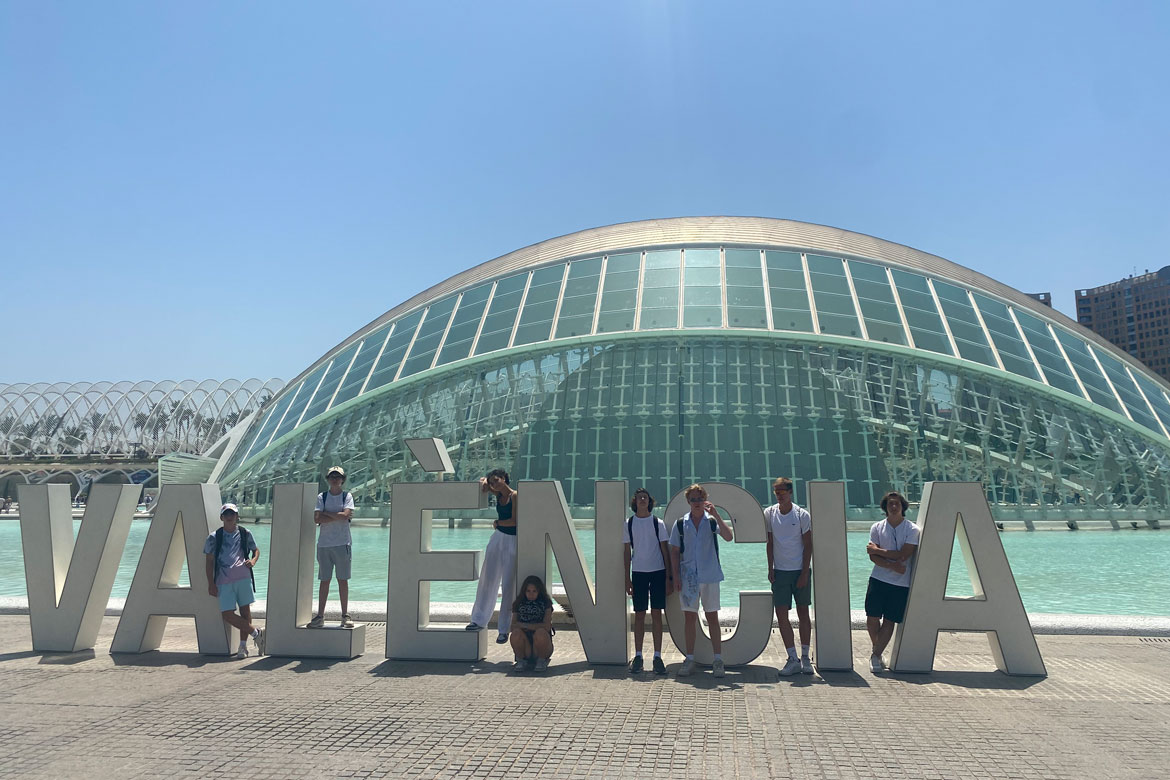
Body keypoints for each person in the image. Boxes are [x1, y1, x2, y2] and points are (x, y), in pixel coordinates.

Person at [669, 483, 734, 678]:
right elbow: (674, 551)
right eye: (693, 499)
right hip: (688, 578)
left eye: (700, 499)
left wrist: (717, 514)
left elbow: (729, 537)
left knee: (712, 617)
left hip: (710, 576)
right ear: (688, 501)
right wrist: (675, 577)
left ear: (704, 499)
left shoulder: (712, 521)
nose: (696, 503)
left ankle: (718, 659)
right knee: (690, 618)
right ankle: (689, 658)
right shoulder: (681, 524)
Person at [864, 490, 921, 673]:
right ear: (885, 507)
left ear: (903, 507)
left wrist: (878, 550)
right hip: (878, 579)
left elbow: (904, 554)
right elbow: (872, 557)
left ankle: (875, 655)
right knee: (872, 617)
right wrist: (891, 566)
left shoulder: (912, 530)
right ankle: (878, 652)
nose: (893, 506)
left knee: (889, 620)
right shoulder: (877, 527)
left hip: (900, 584)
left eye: (897, 504)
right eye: (890, 504)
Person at [765, 477, 813, 676]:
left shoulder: (802, 515)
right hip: (780, 572)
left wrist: (803, 573)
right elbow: (769, 542)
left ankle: (805, 657)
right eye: (776, 491)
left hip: (799, 571)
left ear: (790, 492)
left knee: (803, 613)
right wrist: (770, 568)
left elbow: (808, 545)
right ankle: (792, 658)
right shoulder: (769, 513)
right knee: (781, 615)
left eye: (782, 491)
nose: (779, 494)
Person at [203, 503, 265, 658]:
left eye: (232, 514)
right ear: (221, 517)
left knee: (245, 611)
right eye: (227, 514)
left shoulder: (245, 533)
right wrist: (210, 583)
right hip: (223, 580)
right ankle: (257, 633)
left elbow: (256, 550)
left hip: (243, 578)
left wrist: (254, 560)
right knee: (227, 614)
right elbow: (209, 561)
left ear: (237, 516)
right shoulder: (214, 537)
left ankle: (243, 646)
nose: (230, 517)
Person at [623, 487, 673, 675]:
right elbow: (627, 552)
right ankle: (638, 656)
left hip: (658, 572)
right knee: (640, 615)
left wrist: (669, 577)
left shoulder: (657, 522)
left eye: (645, 497)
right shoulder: (628, 524)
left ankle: (657, 656)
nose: (642, 500)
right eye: (639, 498)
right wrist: (627, 578)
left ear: (649, 501)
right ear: (634, 502)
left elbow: (664, 550)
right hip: (639, 573)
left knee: (657, 614)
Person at [466, 468, 518, 644]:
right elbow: (483, 483)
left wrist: (497, 522)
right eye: (492, 482)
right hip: (498, 539)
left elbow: (515, 520)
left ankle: (504, 629)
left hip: (513, 540)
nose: (494, 484)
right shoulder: (497, 494)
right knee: (488, 578)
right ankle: (478, 620)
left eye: (496, 480)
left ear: (505, 478)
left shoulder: (515, 496)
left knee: (508, 586)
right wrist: (484, 482)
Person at [308, 466, 356, 628]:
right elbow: (316, 519)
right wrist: (339, 516)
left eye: (338, 476)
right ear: (328, 479)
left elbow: (345, 515)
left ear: (343, 479)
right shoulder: (322, 496)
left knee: (342, 580)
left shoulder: (346, 496)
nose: (335, 479)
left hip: (342, 543)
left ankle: (345, 615)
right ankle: (320, 615)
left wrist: (326, 514)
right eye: (332, 477)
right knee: (324, 580)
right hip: (324, 545)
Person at [509, 574, 554, 672]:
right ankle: (521, 660)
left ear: (539, 591)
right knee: (515, 633)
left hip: (542, 644)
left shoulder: (546, 603)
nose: (531, 594)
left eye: (534, 591)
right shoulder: (518, 603)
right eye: (528, 591)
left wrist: (525, 625)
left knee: (541, 632)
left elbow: (547, 626)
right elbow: (513, 626)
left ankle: (541, 661)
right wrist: (533, 626)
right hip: (525, 644)